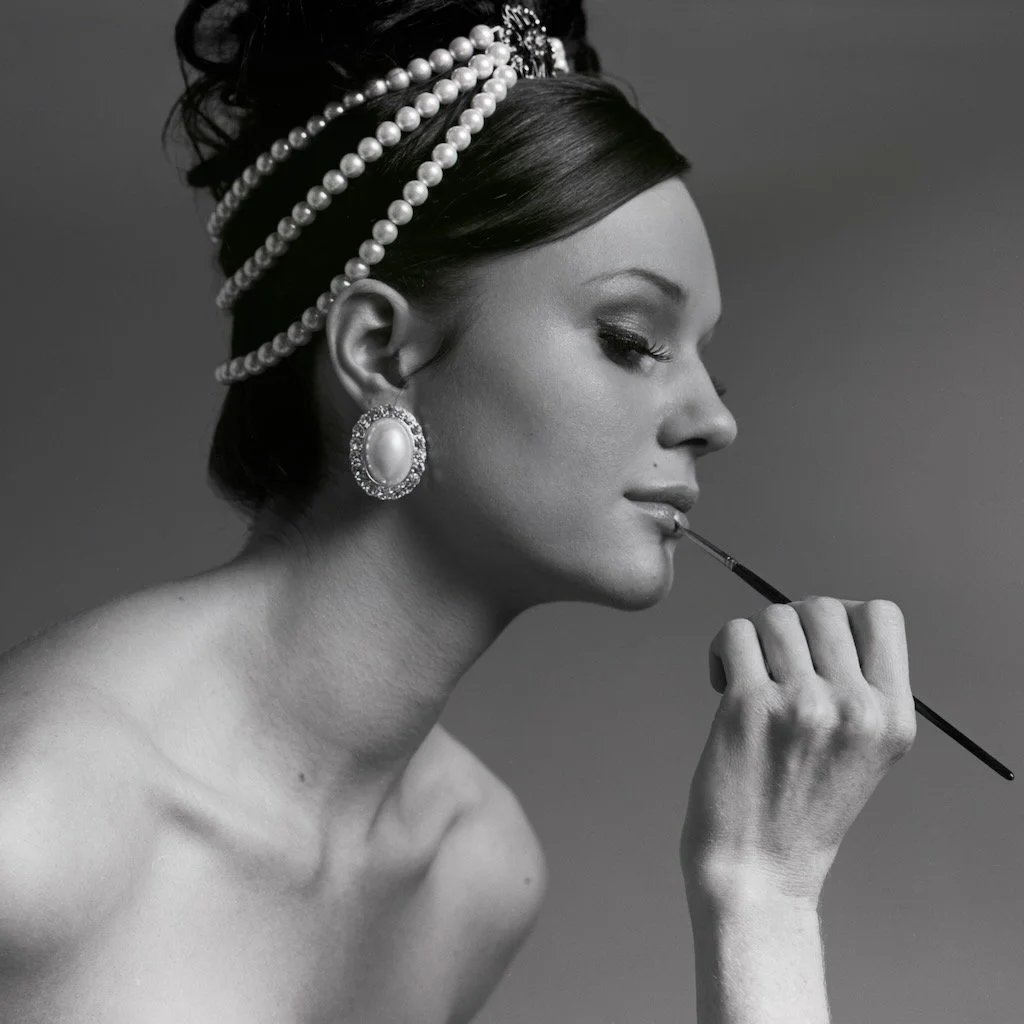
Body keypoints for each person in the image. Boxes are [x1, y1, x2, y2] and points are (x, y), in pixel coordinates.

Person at [0, 1, 917, 1021]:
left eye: (704, 355)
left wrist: (766, 894)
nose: (712, 420)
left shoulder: (471, 871)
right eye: (629, 337)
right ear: (382, 354)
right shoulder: (34, 818)